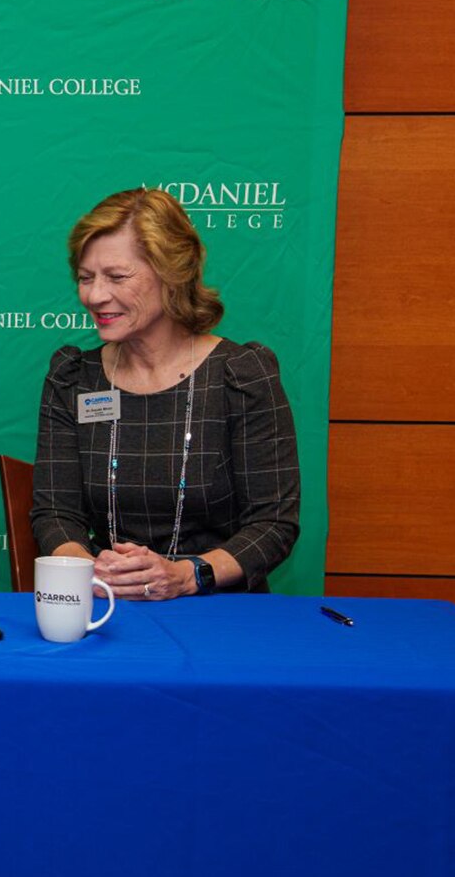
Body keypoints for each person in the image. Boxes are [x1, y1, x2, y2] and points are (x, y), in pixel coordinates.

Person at [32, 187, 299, 599]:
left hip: (218, 611)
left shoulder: (240, 377)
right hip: (107, 605)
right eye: (86, 278)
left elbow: (274, 523)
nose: (95, 295)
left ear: (172, 273)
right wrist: (94, 573)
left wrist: (187, 575)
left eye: (117, 277)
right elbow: (55, 512)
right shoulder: (74, 378)